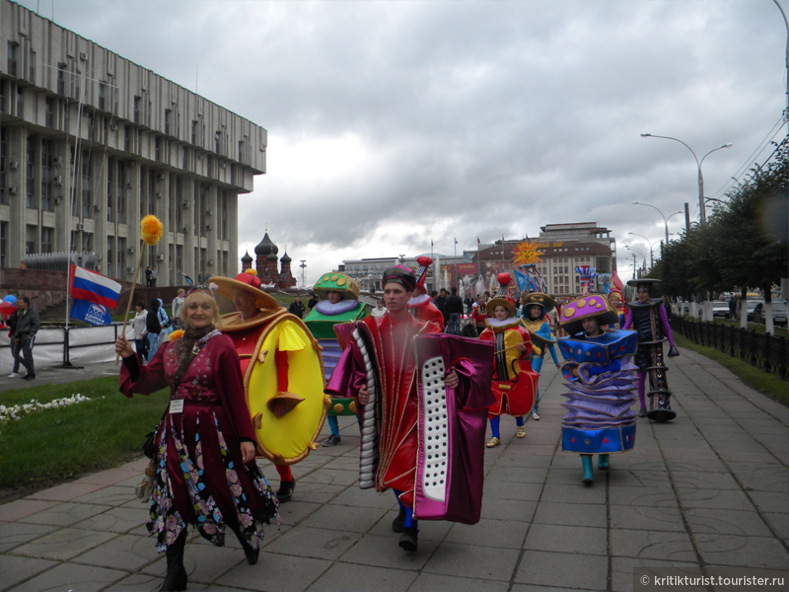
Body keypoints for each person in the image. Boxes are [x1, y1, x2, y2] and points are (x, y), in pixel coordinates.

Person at [116, 287, 279, 591]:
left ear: (214, 312)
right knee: (170, 496)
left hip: (212, 432)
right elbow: (149, 380)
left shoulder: (222, 346)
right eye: (193, 307)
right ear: (183, 312)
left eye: (205, 307)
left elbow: (234, 394)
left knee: (221, 490)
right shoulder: (171, 347)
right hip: (175, 433)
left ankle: (246, 536)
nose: (199, 312)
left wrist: (246, 438)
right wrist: (129, 356)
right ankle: (175, 571)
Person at [327, 266, 491, 553]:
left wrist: (455, 377)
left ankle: (410, 527)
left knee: (412, 465)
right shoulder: (368, 329)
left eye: (397, 292)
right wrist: (360, 389)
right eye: (387, 292)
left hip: (421, 413)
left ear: (409, 295)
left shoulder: (428, 330)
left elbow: (453, 365)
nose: (390, 297)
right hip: (385, 415)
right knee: (390, 467)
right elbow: (356, 371)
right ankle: (405, 509)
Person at [210, 270, 325, 504]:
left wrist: (281, 395)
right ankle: (246, 485)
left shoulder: (273, 325)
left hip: (265, 394)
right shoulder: (227, 327)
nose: (236, 300)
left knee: (272, 438)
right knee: (235, 441)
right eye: (233, 294)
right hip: (233, 395)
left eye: (241, 294)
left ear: (254, 297)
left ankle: (286, 479)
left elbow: (281, 361)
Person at [557, 294, 638, 484]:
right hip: (584, 392)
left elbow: (618, 365)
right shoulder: (574, 341)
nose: (586, 324)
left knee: (607, 422)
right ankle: (587, 471)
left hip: (607, 391)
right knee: (582, 423)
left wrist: (592, 369)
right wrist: (577, 370)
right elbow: (570, 365)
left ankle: (604, 456)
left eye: (589, 319)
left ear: (598, 319)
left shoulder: (614, 338)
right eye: (583, 321)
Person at [303, 272, 367, 447]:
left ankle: (364, 433)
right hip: (325, 359)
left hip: (344, 359)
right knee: (328, 397)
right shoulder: (317, 309)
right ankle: (334, 434)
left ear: (342, 294)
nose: (331, 295)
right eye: (329, 292)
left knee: (351, 396)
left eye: (335, 292)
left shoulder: (356, 308)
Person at [479, 274, 538, 447]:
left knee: (516, 403)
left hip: (514, 375)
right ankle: (495, 435)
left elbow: (528, 353)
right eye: (496, 311)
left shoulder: (520, 332)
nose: (498, 313)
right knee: (493, 408)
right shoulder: (486, 333)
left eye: (502, 311)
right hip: (494, 377)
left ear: (508, 312)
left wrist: (523, 351)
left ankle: (520, 426)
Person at [623, 279, 680, 422]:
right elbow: (627, 326)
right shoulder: (633, 307)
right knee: (641, 377)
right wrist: (618, 338)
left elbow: (665, 324)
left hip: (655, 345)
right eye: (639, 292)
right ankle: (642, 406)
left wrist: (672, 345)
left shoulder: (657, 306)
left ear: (649, 293)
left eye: (644, 292)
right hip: (641, 346)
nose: (641, 295)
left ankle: (660, 405)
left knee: (657, 375)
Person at [521, 292, 560, 421]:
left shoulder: (544, 325)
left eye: (539, 309)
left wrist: (556, 361)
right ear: (529, 310)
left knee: (534, 379)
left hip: (538, 355)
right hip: (524, 356)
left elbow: (550, 343)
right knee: (525, 381)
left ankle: (534, 409)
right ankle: (526, 404)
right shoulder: (522, 323)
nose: (536, 311)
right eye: (534, 308)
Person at [407, 257, 444, 331]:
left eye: (415, 287)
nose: (412, 289)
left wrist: (435, 325)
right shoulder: (403, 304)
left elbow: (438, 324)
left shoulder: (430, 307)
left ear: (420, 289)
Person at [12, 297, 40, 381]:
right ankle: (28, 369)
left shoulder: (32, 312)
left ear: (26, 303)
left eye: (21, 302)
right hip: (21, 335)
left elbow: (36, 324)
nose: (19, 304)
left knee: (27, 354)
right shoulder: (21, 312)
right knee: (15, 352)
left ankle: (31, 372)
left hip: (28, 336)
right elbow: (19, 325)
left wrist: (31, 334)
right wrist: (17, 336)